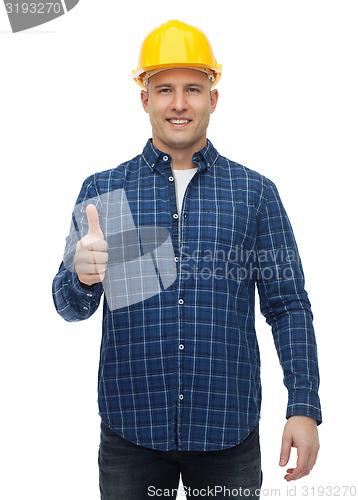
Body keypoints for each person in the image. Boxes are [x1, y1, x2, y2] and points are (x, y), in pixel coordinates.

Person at [52, 20, 322, 499]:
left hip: (227, 435)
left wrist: (303, 405)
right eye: (165, 89)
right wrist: (81, 276)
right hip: (129, 433)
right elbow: (70, 307)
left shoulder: (254, 195)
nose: (179, 103)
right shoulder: (105, 192)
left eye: (193, 88)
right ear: (144, 99)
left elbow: (288, 306)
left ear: (213, 98)